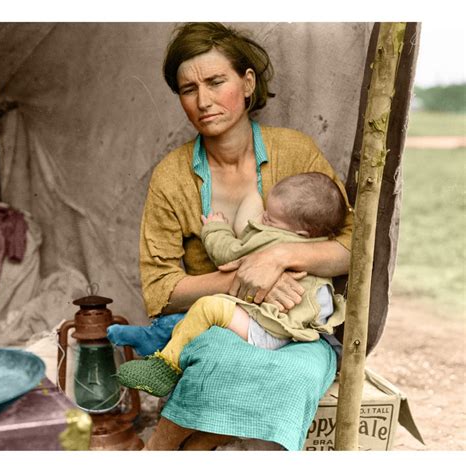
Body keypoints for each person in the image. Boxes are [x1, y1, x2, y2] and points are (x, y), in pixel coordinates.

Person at [107, 22, 353, 451]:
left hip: (301, 329)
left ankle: (190, 450)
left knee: (298, 376)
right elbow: (160, 290)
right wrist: (249, 279)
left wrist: (277, 257)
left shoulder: (296, 152)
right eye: (188, 89)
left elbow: (352, 249)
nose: (203, 101)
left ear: (247, 82)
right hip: (227, 324)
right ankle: (158, 451)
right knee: (215, 360)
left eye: (216, 81)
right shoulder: (172, 176)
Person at [116, 172, 346, 397]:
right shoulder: (318, 246)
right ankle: (155, 338)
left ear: (300, 233)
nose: (263, 217)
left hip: (270, 331)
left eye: (270, 219)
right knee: (194, 321)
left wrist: (216, 228)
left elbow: (228, 253)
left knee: (208, 308)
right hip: (296, 327)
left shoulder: (273, 239)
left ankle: (164, 368)